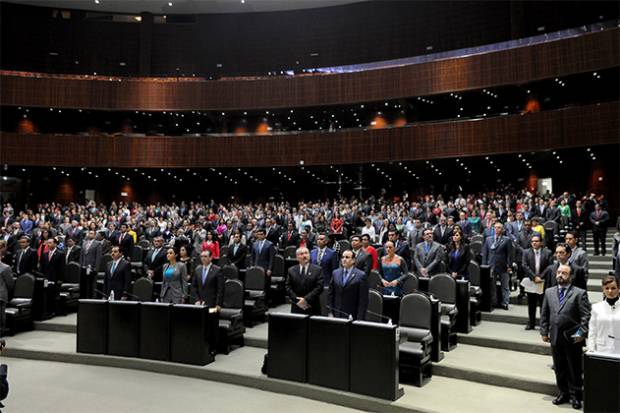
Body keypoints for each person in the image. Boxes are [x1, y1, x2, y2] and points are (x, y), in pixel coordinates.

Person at [540, 264, 591, 410]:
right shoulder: (549, 292)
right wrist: (544, 331)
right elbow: (544, 313)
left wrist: (581, 334)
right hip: (555, 336)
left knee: (573, 368)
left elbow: (586, 316)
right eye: (559, 272)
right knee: (559, 367)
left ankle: (576, 396)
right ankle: (563, 393)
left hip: (573, 337)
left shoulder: (579, 293)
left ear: (571, 276)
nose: (560, 275)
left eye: (564, 273)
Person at [522, 234, 553, 330]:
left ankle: (543, 325)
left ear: (541, 242)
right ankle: (531, 323)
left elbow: (550, 266)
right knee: (531, 304)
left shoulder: (548, 252)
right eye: (532, 241)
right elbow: (524, 265)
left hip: (543, 282)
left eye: (536, 241)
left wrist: (540, 277)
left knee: (543, 305)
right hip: (531, 282)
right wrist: (534, 277)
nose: (534, 243)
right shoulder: (526, 252)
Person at [328, 250, 368, 320]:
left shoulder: (361, 275)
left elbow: (363, 300)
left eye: (347, 257)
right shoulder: (335, 273)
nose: (344, 259)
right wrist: (330, 312)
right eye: (342, 257)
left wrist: (359, 319)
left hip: (352, 315)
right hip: (336, 314)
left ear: (353, 260)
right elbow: (331, 295)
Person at [481, 222, 513, 310]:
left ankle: (505, 302)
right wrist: (484, 266)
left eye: (499, 228)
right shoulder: (488, 239)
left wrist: (509, 265)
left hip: (503, 266)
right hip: (491, 266)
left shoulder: (507, 240)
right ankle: (493, 302)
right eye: (495, 227)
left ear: (502, 230)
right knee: (492, 285)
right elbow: (485, 254)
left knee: (505, 286)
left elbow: (510, 254)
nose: (497, 229)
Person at [285, 247, 323, 315]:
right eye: (301, 254)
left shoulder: (318, 270)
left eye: (306, 253)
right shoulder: (291, 270)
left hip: (312, 305)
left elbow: (319, 287)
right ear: (297, 257)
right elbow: (288, 287)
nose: (304, 255)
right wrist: (297, 300)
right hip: (297, 305)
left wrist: (305, 299)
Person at [587, 276, 620, 354]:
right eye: (607, 288)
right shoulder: (596, 307)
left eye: (613, 288)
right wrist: (591, 348)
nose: (610, 291)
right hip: (602, 349)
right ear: (603, 290)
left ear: (619, 289)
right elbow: (592, 331)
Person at [0, 241, 15, 337]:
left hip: (0, 296)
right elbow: (10, 284)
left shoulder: (5, 268)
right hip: (1, 295)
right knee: (1, 317)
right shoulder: (6, 267)